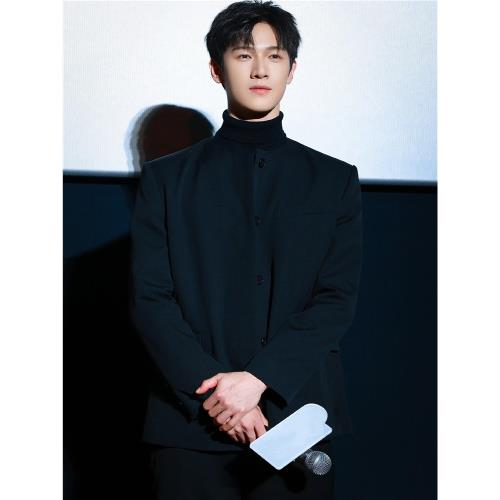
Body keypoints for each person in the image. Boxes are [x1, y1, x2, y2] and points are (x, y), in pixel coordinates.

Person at [129, 1, 363, 498]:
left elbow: (335, 299)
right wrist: (220, 394)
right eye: (242, 55)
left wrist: (259, 379)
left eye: (274, 56)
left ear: (291, 69)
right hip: (188, 427)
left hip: (296, 421)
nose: (260, 69)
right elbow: (150, 299)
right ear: (217, 70)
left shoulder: (334, 180)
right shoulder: (166, 180)